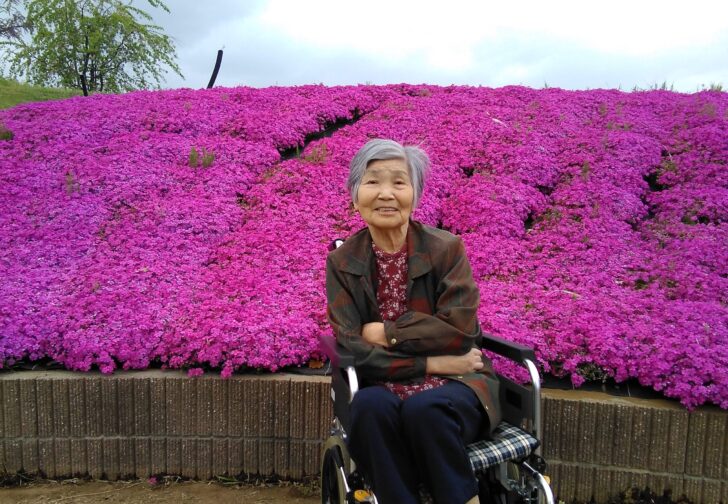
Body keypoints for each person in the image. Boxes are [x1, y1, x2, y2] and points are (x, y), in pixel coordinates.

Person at [325, 139, 501, 504]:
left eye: (399, 182)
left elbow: (459, 332)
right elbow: (354, 346)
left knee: (426, 410)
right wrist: (432, 363)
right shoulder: (342, 263)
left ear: (415, 196)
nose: (386, 193)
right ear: (355, 197)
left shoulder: (446, 249)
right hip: (387, 384)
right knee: (368, 409)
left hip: (459, 383)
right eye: (373, 181)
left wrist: (387, 332)